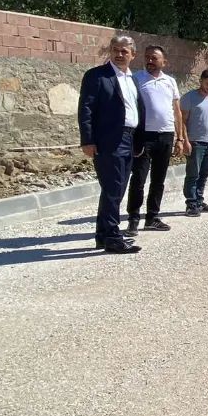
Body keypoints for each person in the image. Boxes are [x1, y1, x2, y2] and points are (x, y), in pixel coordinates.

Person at [78, 36, 145, 254]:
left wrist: (138, 141)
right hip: (109, 141)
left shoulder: (132, 79)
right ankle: (113, 237)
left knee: (116, 189)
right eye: (115, 50)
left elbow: (136, 109)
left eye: (124, 51)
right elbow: (86, 109)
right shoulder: (97, 76)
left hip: (129, 139)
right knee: (113, 188)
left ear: (133, 55)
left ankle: (103, 236)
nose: (119, 54)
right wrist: (87, 140)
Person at [127, 45, 188, 234]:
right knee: (138, 179)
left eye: (154, 58)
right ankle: (133, 219)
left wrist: (180, 138)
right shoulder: (136, 79)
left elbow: (177, 111)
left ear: (164, 62)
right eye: (147, 57)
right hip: (144, 136)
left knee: (158, 180)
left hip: (166, 136)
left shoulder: (170, 81)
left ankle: (152, 217)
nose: (150, 61)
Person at [180, 69, 208, 217]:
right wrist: (185, 141)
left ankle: (199, 200)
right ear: (200, 81)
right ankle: (191, 204)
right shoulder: (189, 97)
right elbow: (182, 121)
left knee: (204, 174)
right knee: (193, 174)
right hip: (195, 142)